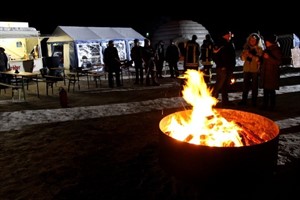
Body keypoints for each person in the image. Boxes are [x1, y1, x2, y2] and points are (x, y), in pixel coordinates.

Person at [238, 33, 264, 107]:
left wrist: (252, 56)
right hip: (247, 69)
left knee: (254, 86)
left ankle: (254, 102)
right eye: (251, 40)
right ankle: (244, 100)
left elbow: (259, 59)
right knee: (245, 85)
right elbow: (242, 59)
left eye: (254, 40)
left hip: (255, 70)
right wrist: (244, 55)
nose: (252, 41)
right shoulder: (246, 48)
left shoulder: (259, 49)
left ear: (257, 41)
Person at [212, 30, 236, 106]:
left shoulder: (230, 43)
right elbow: (215, 56)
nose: (230, 35)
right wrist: (221, 65)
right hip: (222, 68)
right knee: (219, 84)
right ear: (225, 35)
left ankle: (225, 101)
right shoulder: (219, 43)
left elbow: (232, 55)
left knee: (225, 85)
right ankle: (212, 100)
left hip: (229, 67)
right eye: (229, 34)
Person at [260, 33, 283, 111]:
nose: (266, 43)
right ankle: (265, 105)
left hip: (272, 74)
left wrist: (269, 57)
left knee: (271, 91)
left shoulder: (277, 50)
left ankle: (272, 106)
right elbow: (264, 59)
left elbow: (278, 62)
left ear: (271, 42)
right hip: (266, 73)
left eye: (267, 41)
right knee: (266, 91)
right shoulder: (267, 49)